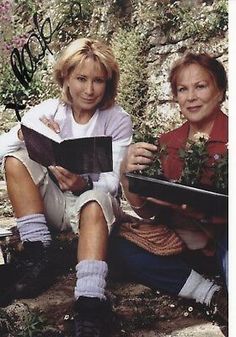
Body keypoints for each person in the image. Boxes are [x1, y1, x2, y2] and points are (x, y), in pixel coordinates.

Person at [0, 37, 133, 337]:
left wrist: (84, 180)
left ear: (108, 83)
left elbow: (114, 182)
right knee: (15, 157)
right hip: (52, 205)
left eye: (98, 81)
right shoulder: (50, 109)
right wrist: (24, 133)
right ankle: (38, 252)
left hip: (90, 207)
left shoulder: (117, 119)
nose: (89, 90)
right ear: (66, 78)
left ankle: (89, 302)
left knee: (97, 196)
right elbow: (2, 151)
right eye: (81, 79)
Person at [109, 52, 228, 324]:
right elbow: (146, 211)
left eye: (201, 86)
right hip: (178, 243)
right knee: (117, 246)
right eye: (182, 89)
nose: (190, 97)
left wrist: (206, 217)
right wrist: (127, 174)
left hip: (223, 238)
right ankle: (210, 294)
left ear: (219, 91)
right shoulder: (166, 143)